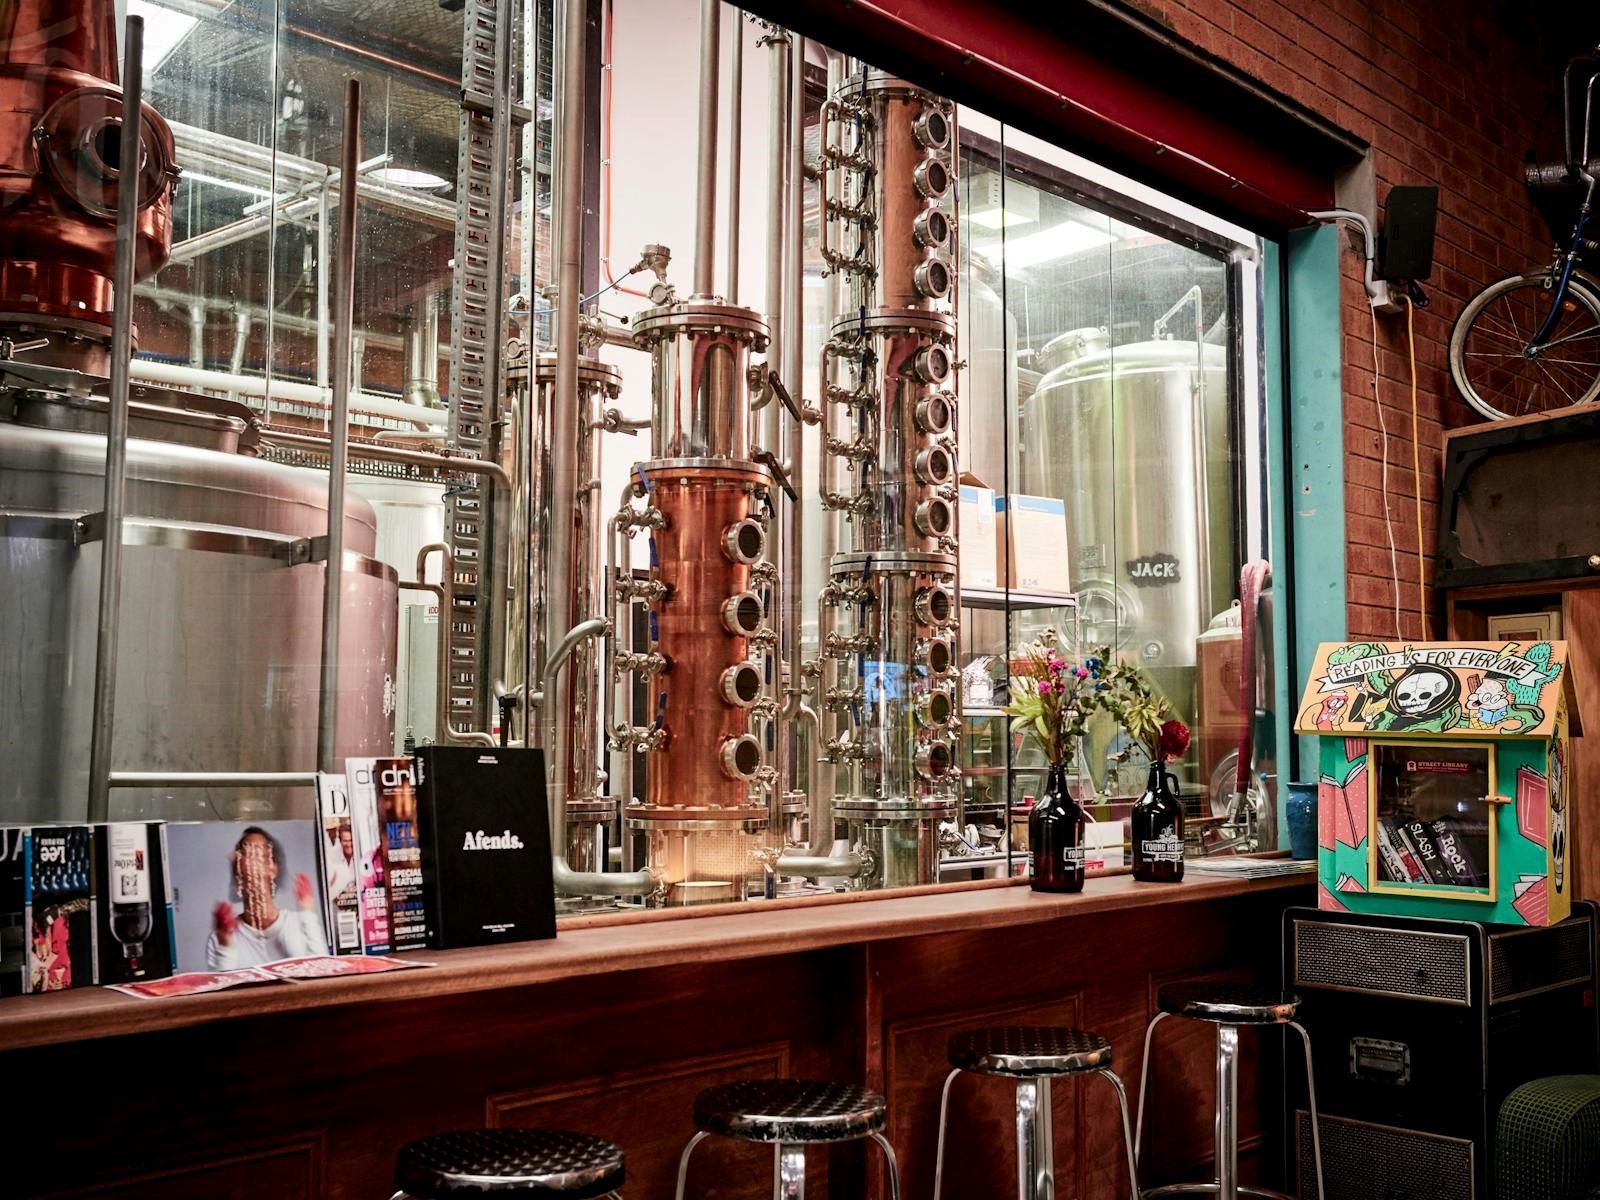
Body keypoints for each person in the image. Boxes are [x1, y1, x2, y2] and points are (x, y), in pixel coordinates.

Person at [206, 827, 328, 969]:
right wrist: (226, 947)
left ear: (273, 868)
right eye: (242, 853)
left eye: (256, 853)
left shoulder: (298, 925)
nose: (245, 859)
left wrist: (307, 915)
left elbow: (324, 976)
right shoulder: (220, 938)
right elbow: (223, 990)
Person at [324, 823, 356, 902]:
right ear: (340, 841)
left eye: (350, 840)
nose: (348, 844)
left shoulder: (360, 855)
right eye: (345, 841)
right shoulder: (332, 857)